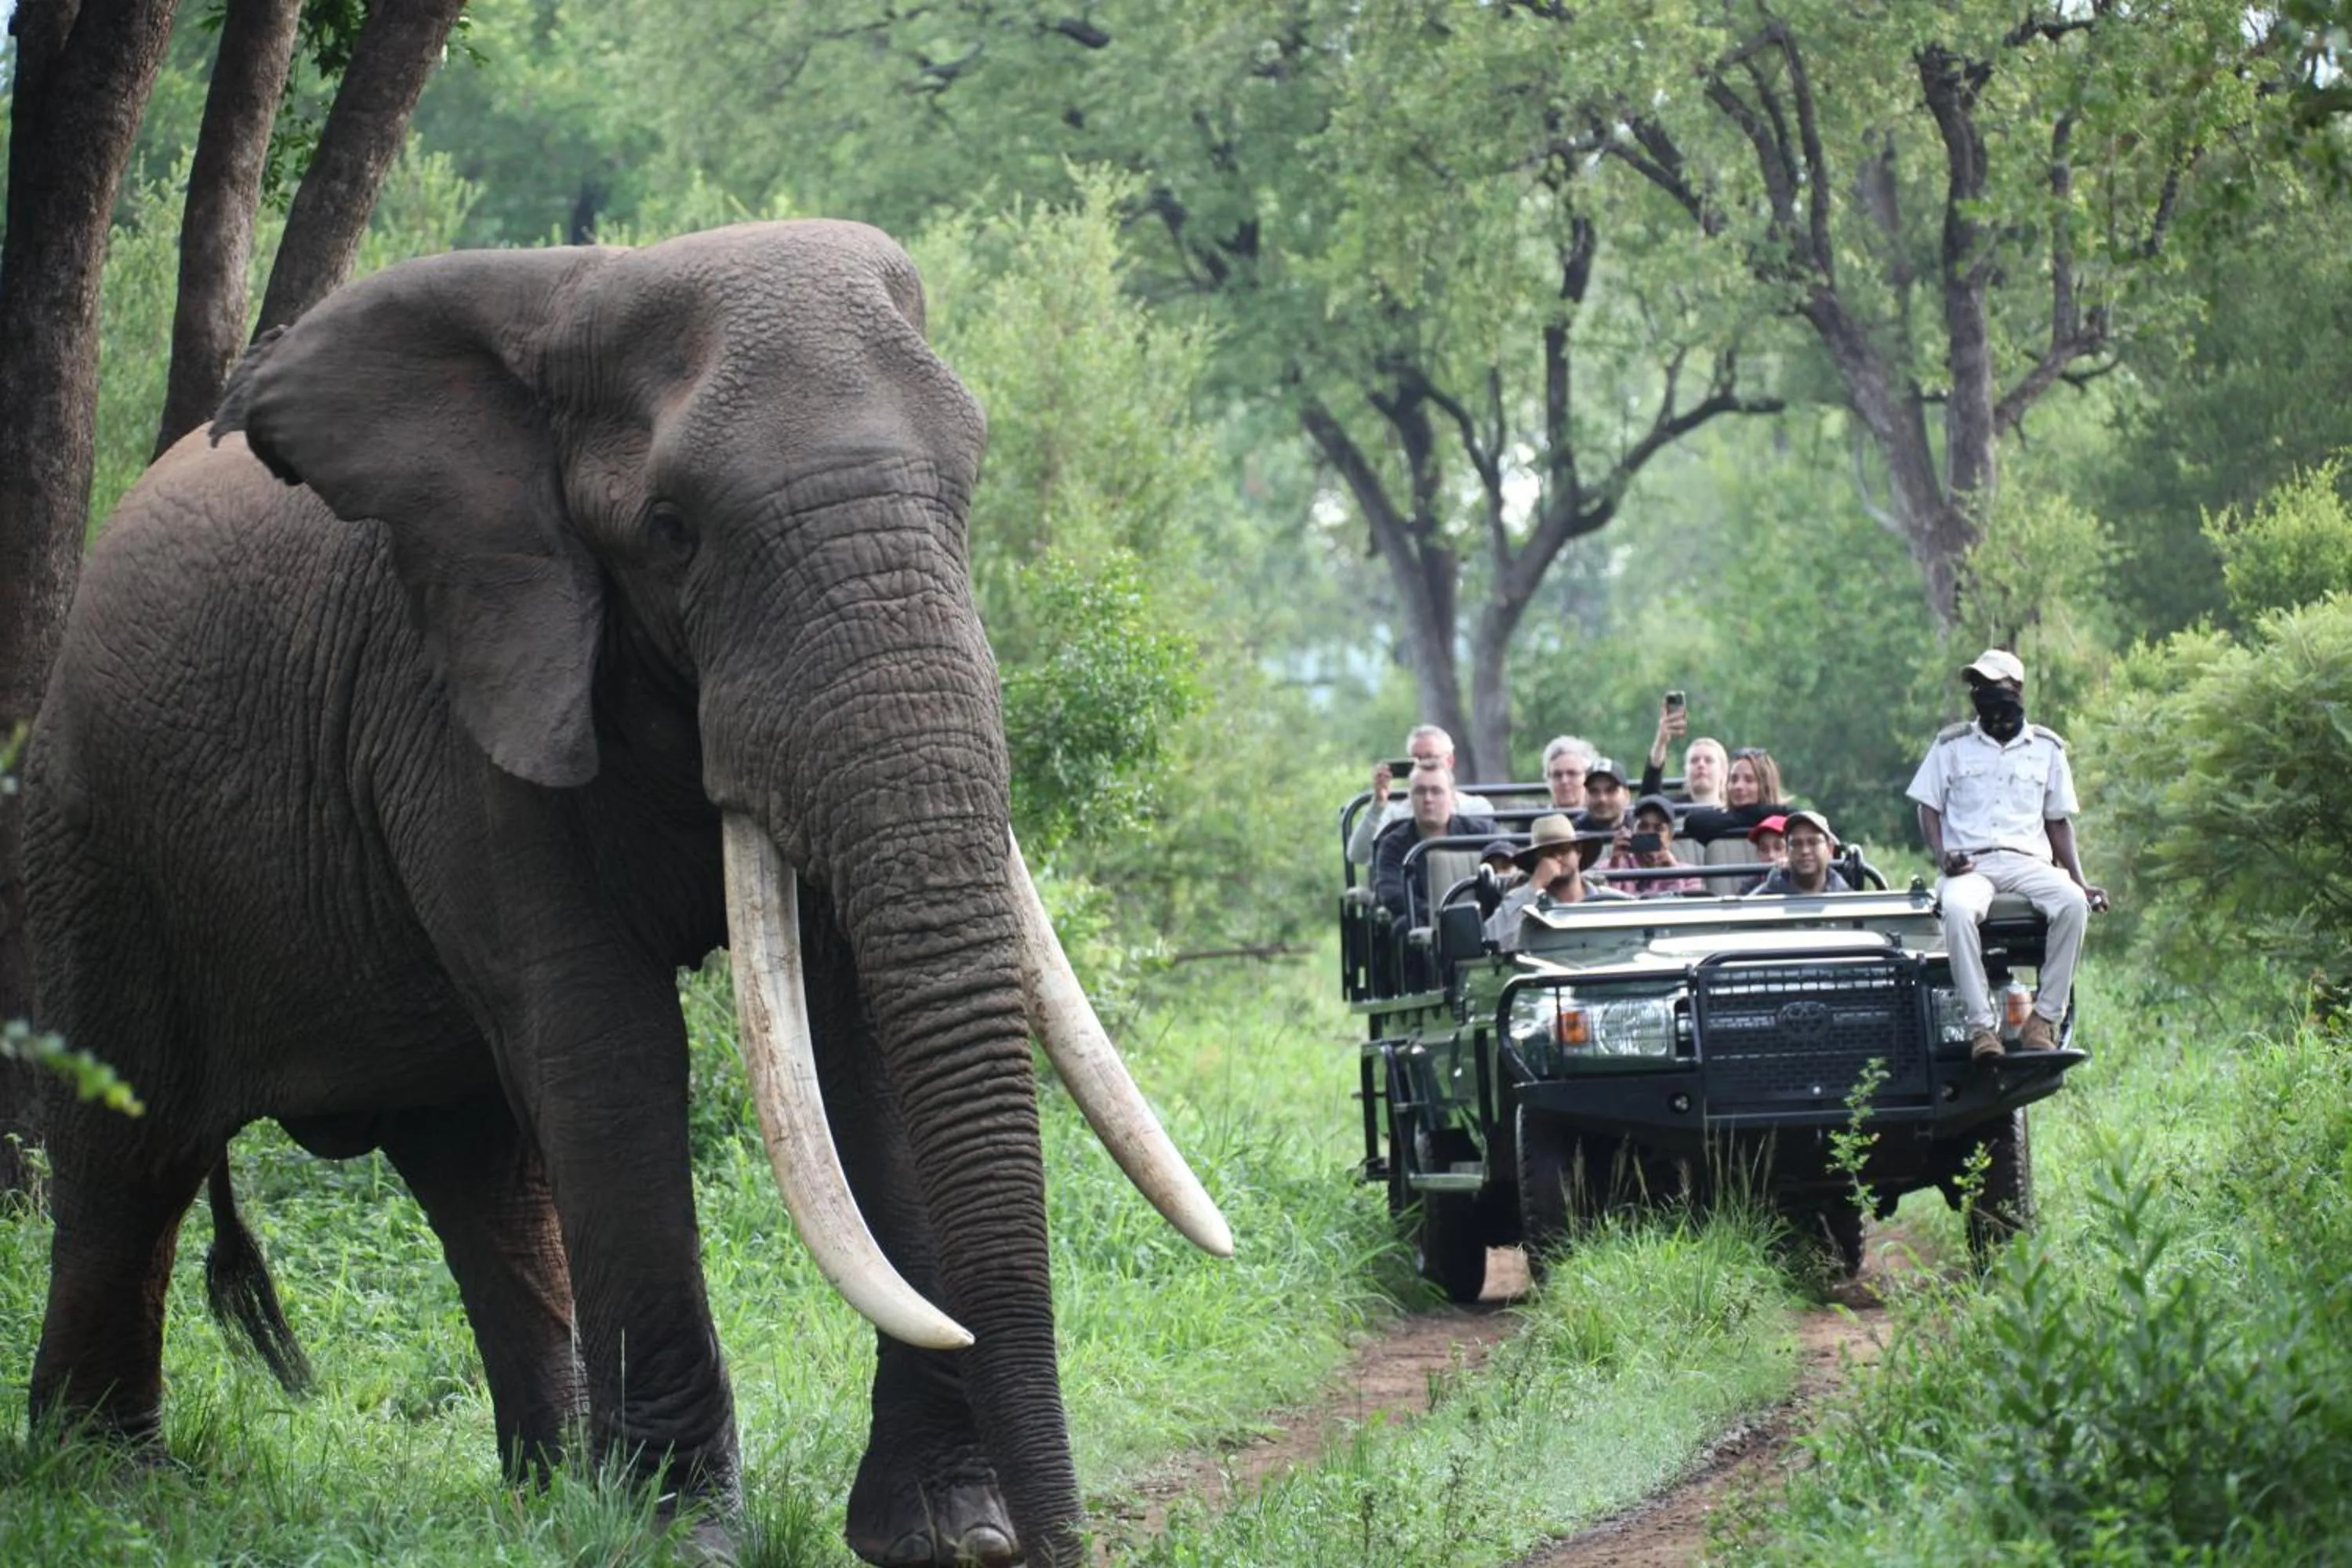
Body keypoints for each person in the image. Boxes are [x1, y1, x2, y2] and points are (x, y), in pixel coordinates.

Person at [1907, 649, 2108, 1062]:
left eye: (1993, 685)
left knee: (2072, 904)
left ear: (2016, 690)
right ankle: (1983, 1027)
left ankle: (2044, 1018)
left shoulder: (2048, 748)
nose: (1984, 693)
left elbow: (2058, 822)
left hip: (2027, 861)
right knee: (1959, 911)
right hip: (1971, 863)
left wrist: (2081, 881)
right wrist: (1943, 856)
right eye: (1977, 686)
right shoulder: (1951, 745)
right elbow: (1928, 806)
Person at [1348, 725, 1494, 863]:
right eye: (1415, 760)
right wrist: (1378, 805)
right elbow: (1359, 855)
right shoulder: (1395, 812)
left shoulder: (1476, 807)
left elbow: (1493, 853)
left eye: (1430, 758)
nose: (1423, 765)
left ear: (1450, 761)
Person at [1371, 766, 1499, 920]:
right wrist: (1435, 913)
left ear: (1452, 797)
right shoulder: (1393, 843)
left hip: (1480, 919)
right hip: (1421, 922)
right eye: (1420, 791)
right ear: (1409, 798)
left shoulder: (1480, 832)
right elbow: (1390, 891)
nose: (1428, 799)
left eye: (1436, 791)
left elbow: (1506, 853)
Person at [1485, 814, 1627, 949]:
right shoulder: (1522, 902)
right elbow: (1491, 939)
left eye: (1563, 850)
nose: (1557, 857)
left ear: (1578, 852)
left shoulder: (1609, 899)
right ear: (1537, 862)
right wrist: (1535, 885)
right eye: (1547, 853)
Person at [1599, 794, 1704, 897]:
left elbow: (1685, 910)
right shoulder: (1607, 867)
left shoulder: (1689, 875)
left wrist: (1672, 872)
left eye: (1658, 828)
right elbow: (1606, 906)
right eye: (1643, 826)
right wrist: (1615, 867)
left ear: (1670, 836)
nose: (1650, 832)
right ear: (1632, 831)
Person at [1679, 746, 1791, 844]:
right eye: (1733, 779)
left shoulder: (1788, 819)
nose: (1738, 786)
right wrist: (1747, 814)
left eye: (1749, 780)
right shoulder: (1717, 819)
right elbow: (1693, 822)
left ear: (1766, 786)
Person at [1639, 698, 1728, 807]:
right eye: (1694, 761)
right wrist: (1661, 742)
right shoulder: (1672, 809)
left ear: (1723, 772)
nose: (1701, 765)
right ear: (1686, 770)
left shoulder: (1734, 812)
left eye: (1709, 761)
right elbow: (1648, 802)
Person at [1747, 810, 1851, 895]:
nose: (1805, 851)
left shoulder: (1850, 902)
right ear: (1787, 852)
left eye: (1813, 842)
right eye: (1796, 844)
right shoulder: (1759, 904)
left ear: (1830, 849)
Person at [1539, 735, 1597, 811]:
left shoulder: (1604, 820)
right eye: (1557, 775)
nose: (1564, 781)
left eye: (1572, 774)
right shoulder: (1534, 821)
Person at [1575, 757, 1632, 833]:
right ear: (1585, 796)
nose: (1602, 799)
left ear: (1627, 795)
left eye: (1610, 791)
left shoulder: (1641, 831)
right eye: (1594, 791)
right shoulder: (1573, 836)